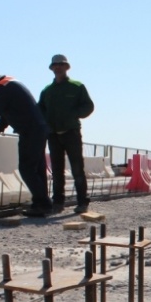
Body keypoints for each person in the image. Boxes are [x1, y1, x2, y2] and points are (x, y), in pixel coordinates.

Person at [0, 72, 53, 217]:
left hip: (30, 131)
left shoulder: (4, 89)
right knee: (37, 168)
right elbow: (6, 114)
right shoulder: (12, 86)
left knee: (27, 168)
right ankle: (41, 203)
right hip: (39, 128)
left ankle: (43, 203)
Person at [38, 54, 95, 213]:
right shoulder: (47, 91)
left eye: (60, 64)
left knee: (77, 169)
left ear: (66, 67)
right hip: (54, 135)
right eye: (55, 65)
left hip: (71, 133)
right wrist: (45, 125)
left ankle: (82, 202)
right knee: (57, 170)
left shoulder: (77, 87)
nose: (58, 67)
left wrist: (74, 114)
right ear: (52, 68)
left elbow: (88, 106)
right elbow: (40, 109)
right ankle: (58, 203)